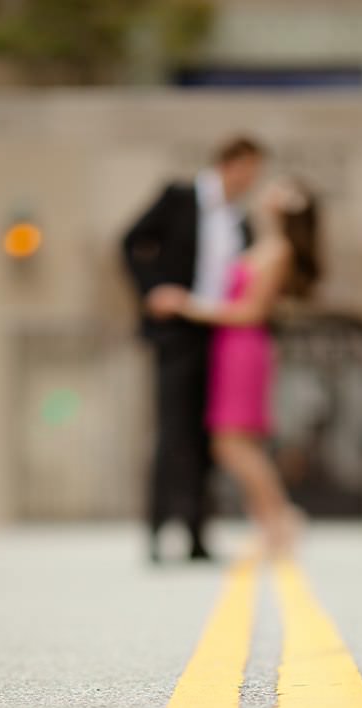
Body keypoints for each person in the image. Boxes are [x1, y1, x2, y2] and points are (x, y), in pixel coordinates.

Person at [149, 176, 320, 555]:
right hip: (229, 347)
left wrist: (185, 304)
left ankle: (280, 521)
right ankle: (271, 523)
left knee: (234, 443)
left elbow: (250, 312)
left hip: (245, 346)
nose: (265, 191)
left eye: (277, 190)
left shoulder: (278, 250)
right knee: (234, 443)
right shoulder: (260, 244)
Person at [121, 136, 266, 563]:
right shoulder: (179, 197)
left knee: (208, 438)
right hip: (177, 333)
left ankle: (198, 534)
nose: (251, 181)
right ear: (229, 164)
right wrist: (152, 291)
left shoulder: (242, 222)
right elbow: (130, 241)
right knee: (171, 433)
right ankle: (156, 533)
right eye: (249, 170)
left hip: (218, 336)